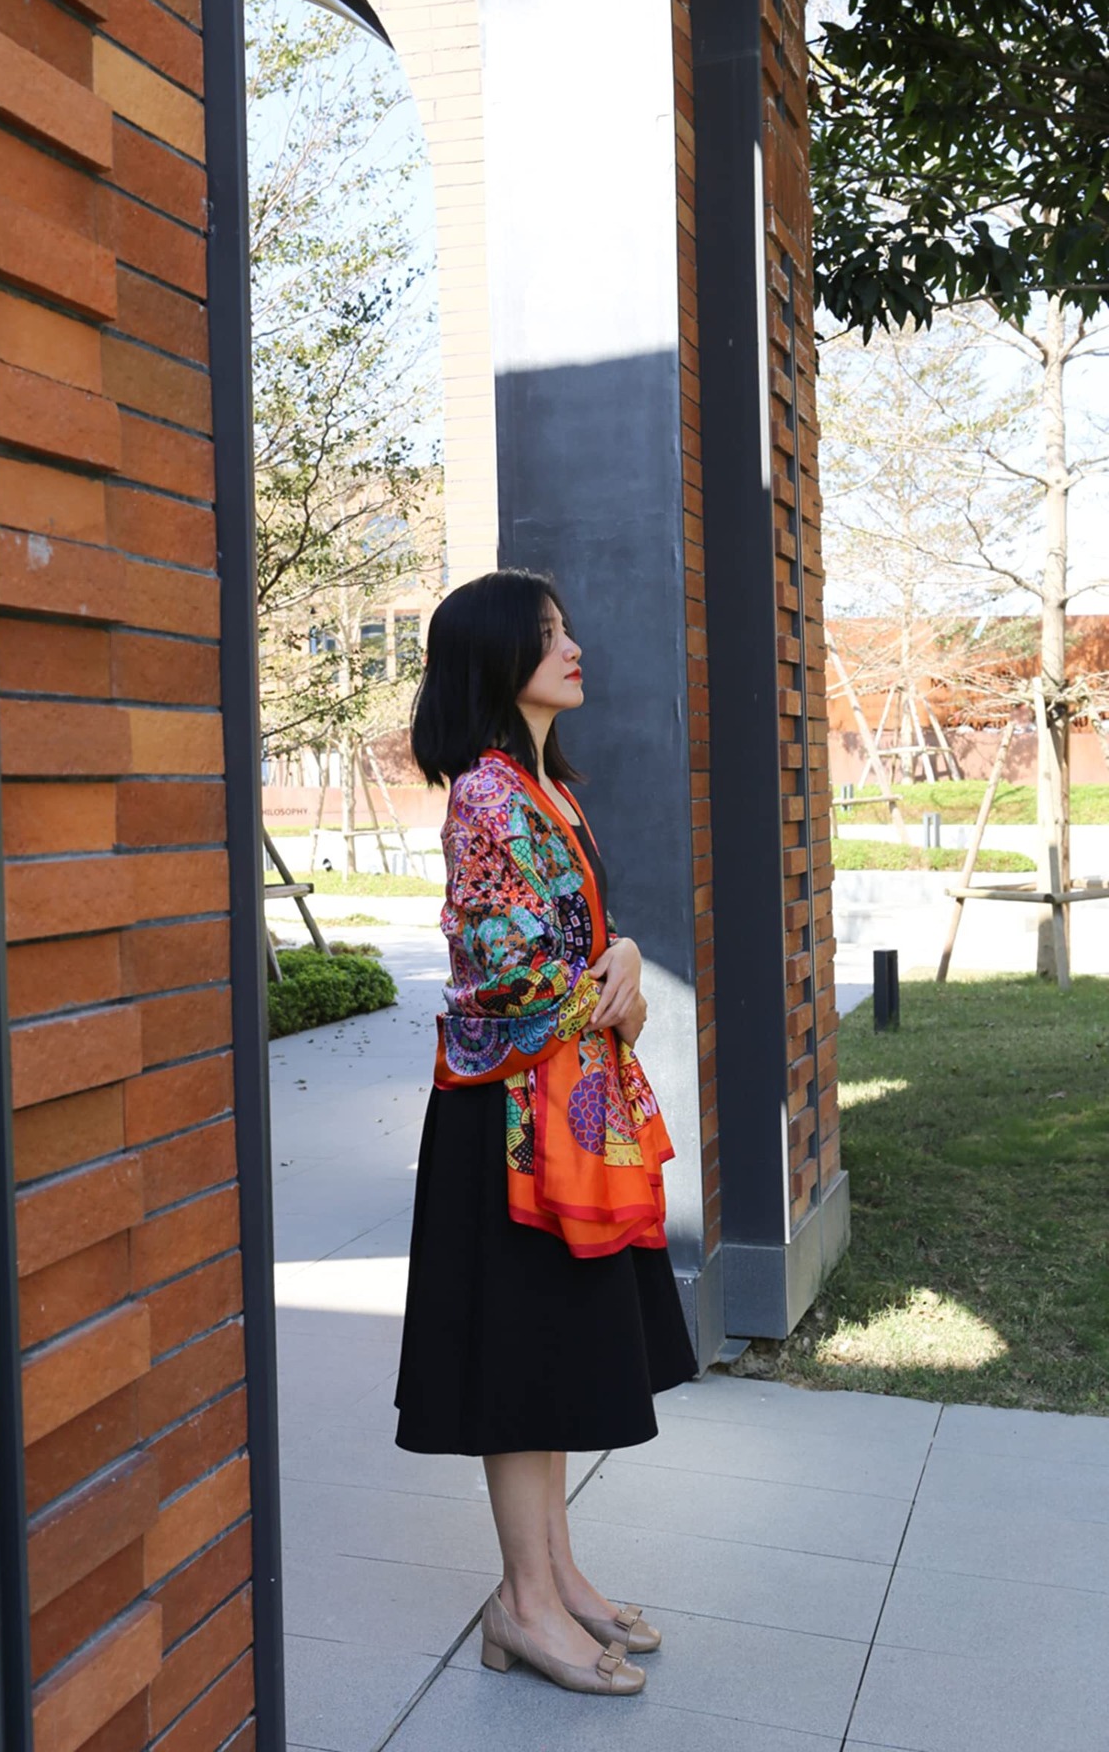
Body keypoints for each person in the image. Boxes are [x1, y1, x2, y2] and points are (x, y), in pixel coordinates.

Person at [394, 567, 698, 1698]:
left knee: (552, 1352)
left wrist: (623, 958)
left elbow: (573, 944)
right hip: (509, 1126)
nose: (573, 647)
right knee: (524, 1363)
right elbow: (507, 974)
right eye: (548, 632)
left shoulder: (543, 785)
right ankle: (522, 1606)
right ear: (495, 655)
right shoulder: (487, 794)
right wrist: (610, 989)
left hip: (555, 1116)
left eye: (567, 628)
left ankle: (556, 1577)